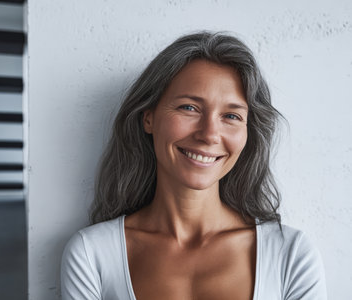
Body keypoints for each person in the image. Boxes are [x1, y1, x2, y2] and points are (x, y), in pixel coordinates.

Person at [61, 31, 327, 299]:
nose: (209, 134)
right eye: (189, 108)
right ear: (148, 117)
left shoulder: (291, 255)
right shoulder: (91, 254)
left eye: (231, 115)